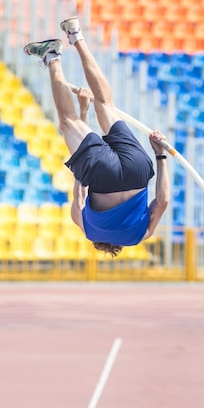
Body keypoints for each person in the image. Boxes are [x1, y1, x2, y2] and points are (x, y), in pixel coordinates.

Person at [24, 16, 170, 257]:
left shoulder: (141, 234)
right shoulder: (87, 229)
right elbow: (81, 185)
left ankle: (77, 36)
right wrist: (81, 116)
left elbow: (162, 201)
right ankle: (52, 56)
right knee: (68, 121)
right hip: (102, 176)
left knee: (105, 104)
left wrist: (160, 156)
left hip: (138, 171)